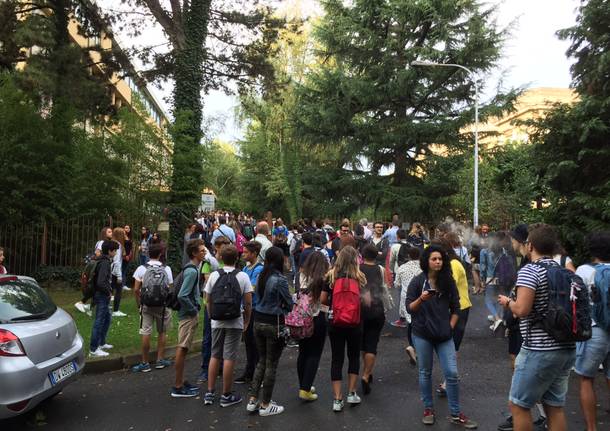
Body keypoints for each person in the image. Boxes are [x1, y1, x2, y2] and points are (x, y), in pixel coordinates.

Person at [497, 224, 577, 431]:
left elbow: (522, 310)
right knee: (555, 408)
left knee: (519, 405)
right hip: (566, 347)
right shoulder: (565, 271)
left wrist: (507, 302)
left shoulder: (530, 271)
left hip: (539, 349)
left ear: (530, 245)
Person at [406, 245, 477, 428]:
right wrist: (422, 299)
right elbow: (409, 308)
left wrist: (450, 326)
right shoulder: (417, 281)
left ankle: (455, 413)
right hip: (422, 334)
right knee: (425, 372)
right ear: (427, 261)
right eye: (434, 259)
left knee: (452, 374)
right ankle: (428, 408)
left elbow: (456, 308)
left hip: (444, 335)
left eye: (440, 259)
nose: (438, 262)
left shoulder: (448, 281)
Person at [203, 245, 253, 408]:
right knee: (229, 356)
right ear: (237, 258)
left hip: (216, 321)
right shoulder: (243, 276)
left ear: (220, 258)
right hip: (235, 320)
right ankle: (226, 394)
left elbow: (208, 298)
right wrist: (246, 320)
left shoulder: (214, 275)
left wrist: (211, 315)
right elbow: (247, 302)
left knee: (215, 355)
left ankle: (209, 392)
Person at [247, 247, 293, 416]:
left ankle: (253, 399)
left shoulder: (261, 276)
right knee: (271, 364)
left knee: (261, 361)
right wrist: (284, 304)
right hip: (274, 323)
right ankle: (266, 404)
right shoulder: (279, 279)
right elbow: (289, 303)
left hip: (258, 320)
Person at [574, 232, 610, 431]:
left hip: (595, 331)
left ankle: (591, 428)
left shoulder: (584, 270)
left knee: (586, 378)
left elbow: (576, 301)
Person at [326, 246, 366, 412]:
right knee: (354, 356)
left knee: (337, 358)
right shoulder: (360, 277)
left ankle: (337, 399)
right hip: (355, 323)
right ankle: (351, 392)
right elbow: (365, 300)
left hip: (335, 322)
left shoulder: (331, 276)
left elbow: (322, 299)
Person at [435, 238, 473, 398]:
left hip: (460, 309)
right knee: (448, 344)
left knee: (451, 345)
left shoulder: (453, 265)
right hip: (453, 309)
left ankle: (449, 380)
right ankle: (450, 377)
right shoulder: (450, 263)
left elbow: (447, 286)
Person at [131, 243, 173, 372]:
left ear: (148, 254)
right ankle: (160, 360)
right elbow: (169, 288)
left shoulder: (141, 269)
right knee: (162, 332)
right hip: (162, 305)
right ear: (161, 254)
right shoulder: (167, 269)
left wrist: (139, 303)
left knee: (146, 332)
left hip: (147, 305)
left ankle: (145, 362)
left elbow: (136, 289)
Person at [171, 239, 205, 398]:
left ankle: (182, 381)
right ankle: (177, 386)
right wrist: (193, 310)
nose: (204, 252)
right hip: (187, 316)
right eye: (202, 250)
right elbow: (183, 295)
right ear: (194, 253)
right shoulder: (192, 271)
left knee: (183, 348)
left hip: (187, 314)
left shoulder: (192, 269)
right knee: (182, 348)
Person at [296, 251, 330, 401]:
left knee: (303, 352)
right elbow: (323, 302)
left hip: (300, 318)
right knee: (314, 354)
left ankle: (303, 384)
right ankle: (305, 389)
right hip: (317, 318)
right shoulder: (323, 279)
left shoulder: (299, 276)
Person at [359, 244, 390, 396]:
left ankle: (366, 369)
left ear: (363, 255)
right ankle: (366, 374)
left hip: (360, 310)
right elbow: (384, 288)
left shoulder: (357, 269)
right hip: (377, 310)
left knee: (363, 343)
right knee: (372, 343)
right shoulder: (381, 269)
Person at [235, 241, 264, 385]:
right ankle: (249, 371)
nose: (243, 254)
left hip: (254, 309)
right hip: (245, 309)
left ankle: (257, 374)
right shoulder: (246, 269)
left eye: (246, 252)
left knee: (254, 342)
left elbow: (250, 289)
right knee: (248, 341)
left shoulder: (259, 269)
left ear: (254, 253)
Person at [89, 240, 119, 357]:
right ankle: (93, 349)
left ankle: (101, 343)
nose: (116, 253)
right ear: (110, 251)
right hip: (102, 295)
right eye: (115, 250)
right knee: (99, 321)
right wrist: (108, 291)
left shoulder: (102, 260)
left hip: (102, 294)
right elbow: (101, 282)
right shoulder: (105, 263)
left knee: (107, 319)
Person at [75, 227, 113, 314]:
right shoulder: (102, 243)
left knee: (96, 287)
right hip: (99, 266)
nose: (111, 233)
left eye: (111, 232)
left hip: (99, 265)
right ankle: (82, 302)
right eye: (109, 232)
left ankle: (91, 307)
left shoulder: (101, 242)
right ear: (105, 233)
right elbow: (97, 253)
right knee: (96, 286)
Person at [394, 246, 422, 362]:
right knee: (419, 322)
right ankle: (417, 348)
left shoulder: (402, 267)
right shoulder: (423, 267)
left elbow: (397, 285)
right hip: (421, 297)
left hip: (407, 298)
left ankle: (412, 346)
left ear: (408, 256)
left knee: (410, 323)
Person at [111, 227, 126, 317]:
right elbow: (116, 261)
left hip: (110, 270)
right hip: (115, 271)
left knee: (110, 290)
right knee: (119, 291)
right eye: (123, 234)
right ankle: (116, 310)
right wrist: (119, 276)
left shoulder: (112, 243)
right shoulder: (118, 245)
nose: (124, 235)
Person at [122, 225, 134, 291]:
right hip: (123, 256)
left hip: (128, 256)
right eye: (126, 228)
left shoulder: (129, 237)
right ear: (123, 229)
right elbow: (122, 246)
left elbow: (131, 247)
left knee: (124, 270)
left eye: (129, 228)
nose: (127, 229)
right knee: (122, 270)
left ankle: (123, 284)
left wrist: (129, 255)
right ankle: (122, 285)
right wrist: (125, 255)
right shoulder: (122, 236)